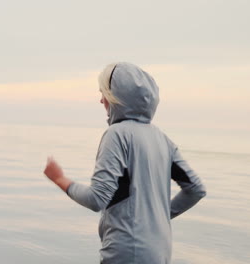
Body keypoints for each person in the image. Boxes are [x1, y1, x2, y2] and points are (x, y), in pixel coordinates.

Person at [43, 62, 207, 264]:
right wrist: (158, 217)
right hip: (159, 252)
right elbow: (196, 189)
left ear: (115, 97)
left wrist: (60, 180)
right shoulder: (163, 140)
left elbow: (97, 199)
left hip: (126, 253)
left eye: (103, 93)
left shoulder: (117, 134)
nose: (101, 100)